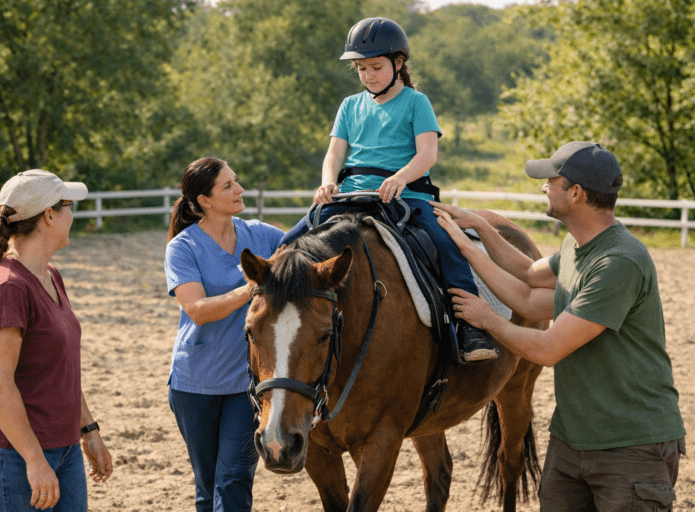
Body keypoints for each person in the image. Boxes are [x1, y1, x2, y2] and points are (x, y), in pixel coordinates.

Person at [433, 141, 686, 511]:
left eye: (550, 180)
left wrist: (487, 318)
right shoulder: (576, 245)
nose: (543, 187)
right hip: (571, 442)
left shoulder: (618, 262)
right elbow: (526, 280)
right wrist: (478, 233)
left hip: (631, 448)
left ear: (576, 193)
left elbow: (548, 348)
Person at [278, 17, 496, 362]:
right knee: (287, 244)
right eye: (361, 68)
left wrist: (401, 178)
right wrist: (328, 181)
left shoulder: (415, 102)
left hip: (406, 196)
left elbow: (427, 153)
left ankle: (472, 328)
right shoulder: (350, 106)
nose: (368, 75)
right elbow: (335, 153)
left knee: (447, 244)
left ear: (398, 63)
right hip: (351, 196)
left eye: (376, 67)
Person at [0, 169, 113, 511]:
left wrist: (88, 429)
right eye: (68, 206)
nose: (73, 215)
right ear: (49, 215)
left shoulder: (49, 275)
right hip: (13, 455)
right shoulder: (8, 286)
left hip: (63, 449)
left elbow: (58, 368)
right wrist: (34, 460)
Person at [164, 157, 284, 512]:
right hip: (193, 383)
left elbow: (304, 241)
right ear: (205, 200)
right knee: (207, 486)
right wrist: (252, 286)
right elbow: (198, 311)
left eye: (237, 181)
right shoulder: (182, 248)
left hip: (245, 386)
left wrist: (324, 205)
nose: (239, 189)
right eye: (228, 186)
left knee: (233, 481)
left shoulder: (260, 234)